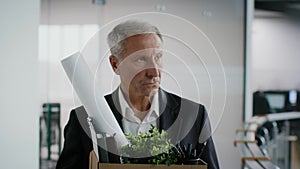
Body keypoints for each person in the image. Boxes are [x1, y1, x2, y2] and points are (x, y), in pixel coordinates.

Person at [56, 20, 219, 169]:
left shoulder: (194, 115)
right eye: (140, 59)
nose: (154, 72)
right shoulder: (82, 119)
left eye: (158, 57)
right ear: (115, 64)